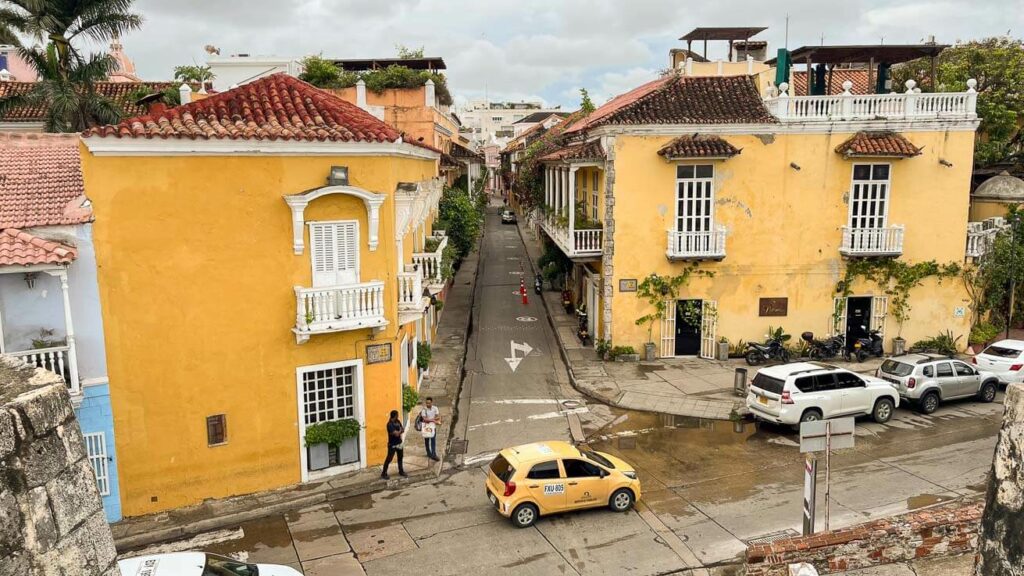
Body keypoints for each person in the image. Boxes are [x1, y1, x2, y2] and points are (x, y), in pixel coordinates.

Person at [382, 410, 406, 479]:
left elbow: (402, 430)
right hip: (392, 444)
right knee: (389, 459)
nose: (398, 416)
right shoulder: (389, 424)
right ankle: (384, 473)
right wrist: (399, 431)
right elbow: (396, 434)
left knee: (400, 458)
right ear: (395, 416)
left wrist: (399, 431)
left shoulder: (398, 421)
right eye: (397, 415)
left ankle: (401, 471)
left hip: (399, 443)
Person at [420, 397, 441, 461]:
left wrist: (431, 420)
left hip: (433, 427)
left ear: (432, 402)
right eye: (427, 403)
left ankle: (434, 454)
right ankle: (428, 452)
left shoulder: (435, 408)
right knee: (426, 440)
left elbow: (438, 417)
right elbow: (425, 419)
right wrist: (434, 420)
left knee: (433, 441)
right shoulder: (424, 410)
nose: (428, 404)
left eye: (429, 403)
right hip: (426, 427)